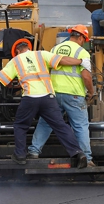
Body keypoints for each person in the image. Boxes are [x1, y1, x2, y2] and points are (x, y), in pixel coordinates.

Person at [0, 38, 89, 168]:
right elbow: (62, 60)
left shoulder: (16, 61)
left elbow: (0, 77)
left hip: (30, 98)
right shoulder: (41, 54)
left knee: (20, 125)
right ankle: (78, 153)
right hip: (48, 98)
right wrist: (81, 61)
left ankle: (20, 155)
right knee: (61, 126)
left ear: (17, 51)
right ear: (28, 47)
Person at [27, 25, 97, 166]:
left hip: (53, 94)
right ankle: (87, 159)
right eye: (85, 39)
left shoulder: (54, 49)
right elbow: (86, 76)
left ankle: (34, 151)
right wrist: (91, 92)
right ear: (81, 37)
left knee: (46, 122)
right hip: (74, 95)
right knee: (80, 126)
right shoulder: (82, 52)